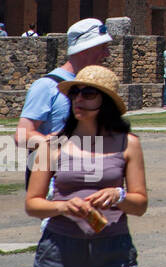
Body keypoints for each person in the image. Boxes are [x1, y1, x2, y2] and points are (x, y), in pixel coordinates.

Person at [25, 65, 148, 267]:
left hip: (113, 249)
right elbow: (33, 203)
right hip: (60, 249)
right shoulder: (52, 145)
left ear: (106, 102)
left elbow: (140, 204)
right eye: (76, 93)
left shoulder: (128, 143)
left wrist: (119, 195)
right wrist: (62, 206)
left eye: (88, 93)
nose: (79, 99)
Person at [15, 19, 113, 192]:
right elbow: (22, 135)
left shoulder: (98, 86)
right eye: (102, 47)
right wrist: (58, 142)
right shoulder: (46, 86)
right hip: (58, 183)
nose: (107, 54)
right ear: (85, 49)